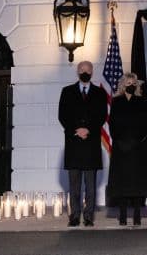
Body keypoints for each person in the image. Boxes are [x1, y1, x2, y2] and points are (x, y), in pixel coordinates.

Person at [57, 60, 109, 227]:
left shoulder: (100, 93)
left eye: (87, 70)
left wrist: (88, 130)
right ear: (77, 72)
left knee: (91, 185)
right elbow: (62, 115)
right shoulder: (67, 91)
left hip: (91, 144)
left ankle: (88, 217)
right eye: (81, 69)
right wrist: (77, 129)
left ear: (92, 72)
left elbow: (102, 116)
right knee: (74, 185)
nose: (84, 72)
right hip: (73, 144)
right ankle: (74, 216)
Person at [106, 71, 147, 226]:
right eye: (128, 83)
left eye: (134, 84)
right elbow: (112, 124)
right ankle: (122, 215)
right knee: (122, 183)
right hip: (121, 148)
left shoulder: (143, 103)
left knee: (137, 183)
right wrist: (120, 141)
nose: (131, 86)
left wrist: (138, 141)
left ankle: (136, 215)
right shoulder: (116, 102)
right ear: (122, 85)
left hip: (138, 148)